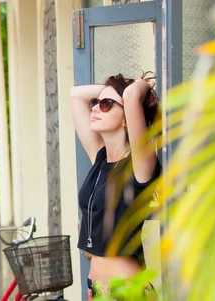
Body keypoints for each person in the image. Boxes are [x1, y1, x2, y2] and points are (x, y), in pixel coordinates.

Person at [70, 72, 161, 300]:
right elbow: (76, 95)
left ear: (126, 119)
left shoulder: (140, 164)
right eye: (97, 103)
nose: (95, 109)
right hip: (97, 289)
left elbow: (130, 96)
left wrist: (140, 88)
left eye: (106, 105)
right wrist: (110, 91)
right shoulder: (100, 159)